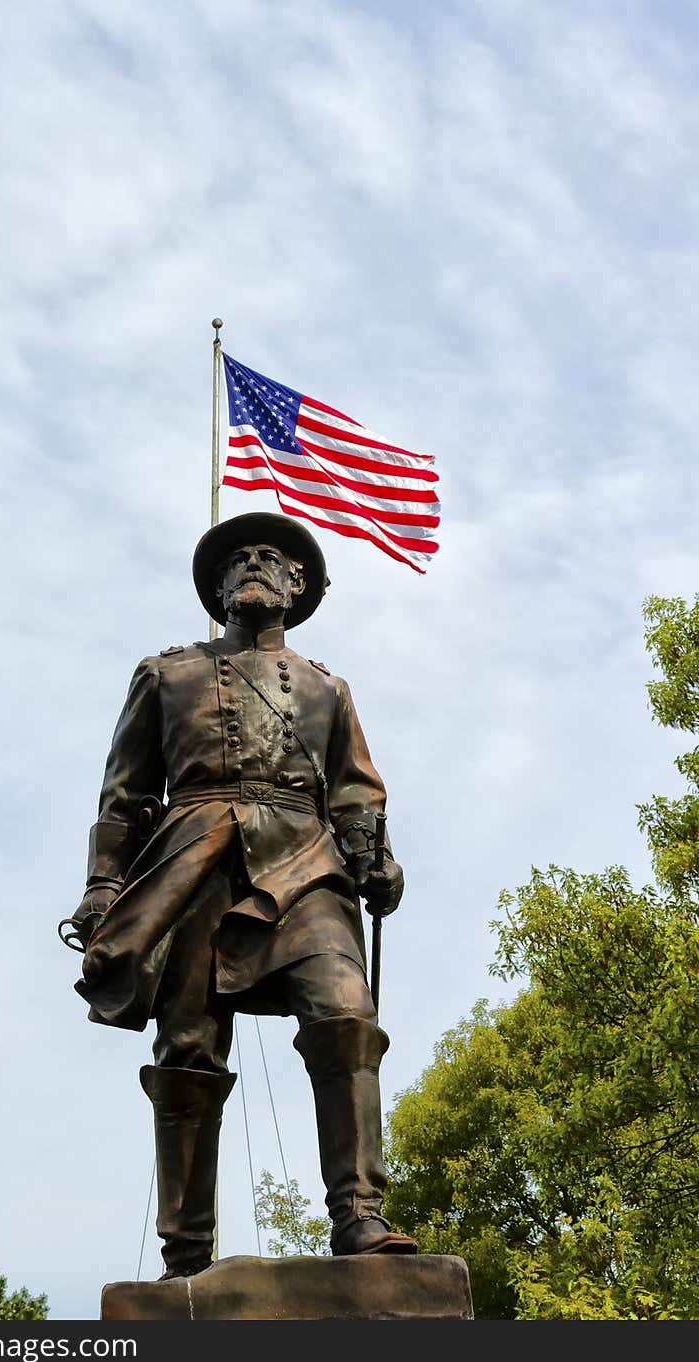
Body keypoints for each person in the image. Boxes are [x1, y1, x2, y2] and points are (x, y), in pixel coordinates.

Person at [65, 511, 417, 1279]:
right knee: (188, 1050)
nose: (255, 566)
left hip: (306, 864)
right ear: (218, 587)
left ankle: (359, 1213)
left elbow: (357, 794)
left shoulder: (328, 687)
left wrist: (376, 860)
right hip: (193, 863)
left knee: (348, 1017)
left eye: (274, 559)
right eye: (239, 560)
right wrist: (102, 886)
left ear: (299, 586)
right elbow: (123, 796)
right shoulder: (166, 675)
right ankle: (185, 1253)